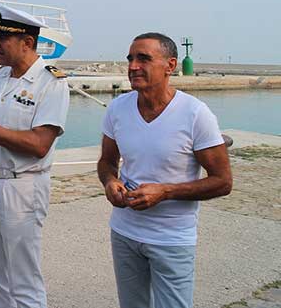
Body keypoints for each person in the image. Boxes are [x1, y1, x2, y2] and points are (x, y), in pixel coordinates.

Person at [97, 32, 232, 308]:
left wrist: (166, 192)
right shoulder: (117, 109)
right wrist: (110, 182)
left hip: (172, 239)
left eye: (143, 59)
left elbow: (222, 182)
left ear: (170, 66)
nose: (133, 66)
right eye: (131, 58)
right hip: (125, 233)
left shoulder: (195, 114)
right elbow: (106, 161)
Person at [0, 4, 69, 308]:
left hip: (23, 188)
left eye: (1, 40)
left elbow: (39, 144)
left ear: (27, 43)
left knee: (23, 278)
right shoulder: (1, 77)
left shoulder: (51, 82)